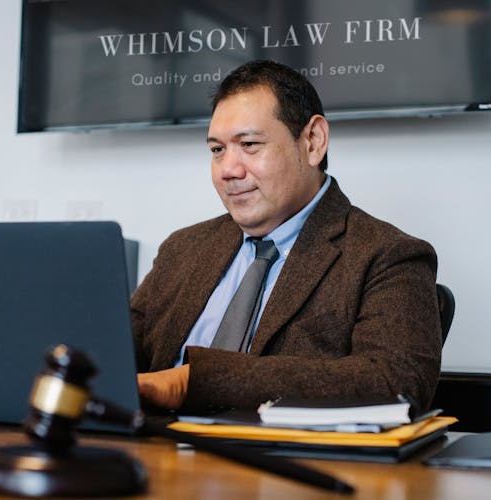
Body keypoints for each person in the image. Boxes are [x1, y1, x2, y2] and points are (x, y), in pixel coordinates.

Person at [132, 60, 441, 414]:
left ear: (313, 141)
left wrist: (192, 382)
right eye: (217, 150)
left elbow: (397, 382)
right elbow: (113, 349)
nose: (228, 171)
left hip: (279, 464)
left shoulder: (388, 255)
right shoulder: (183, 248)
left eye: (249, 144)